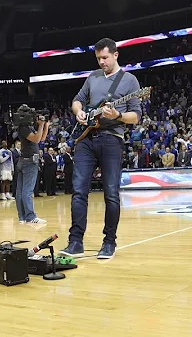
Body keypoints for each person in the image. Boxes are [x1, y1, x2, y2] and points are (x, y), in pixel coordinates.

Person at [60, 37, 142, 260]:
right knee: (78, 191)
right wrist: (78, 111)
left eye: (105, 57)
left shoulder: (130, 81)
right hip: (86, 139)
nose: (101, 62)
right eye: (98, 58)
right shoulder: (93, 77)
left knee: (111, 194)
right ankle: (75, 242)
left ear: (116, 55)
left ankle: (109, 242)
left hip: (111, 139)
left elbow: (136, 116)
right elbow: (77, 100)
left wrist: (117, 115)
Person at [15, 105, 48, 224]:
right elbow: (37, 140)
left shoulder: (25, 126)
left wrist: (45, 126)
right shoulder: (24, 128)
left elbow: (42, 138)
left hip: (24, 160)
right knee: (26, 191)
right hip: (29, 161)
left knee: (21, 191)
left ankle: (22, 217)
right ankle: (30, 216)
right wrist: (40, 125)